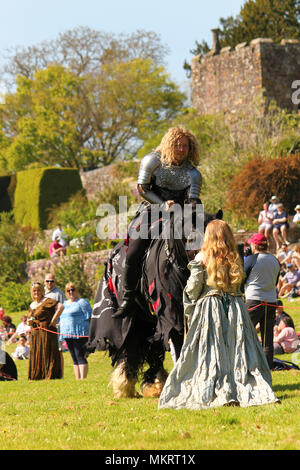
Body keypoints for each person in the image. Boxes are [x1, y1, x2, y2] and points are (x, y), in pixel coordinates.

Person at [158, 220, 278, 410]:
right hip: (236, 307)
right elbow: (240, 286)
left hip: (210, 308)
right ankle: (240, 383)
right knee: (237, 348)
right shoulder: (235, 258)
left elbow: (194, 287)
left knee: (212, 349)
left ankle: (215, 385)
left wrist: (189, 307)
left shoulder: (202, 257)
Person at [112, 126, 202, 319]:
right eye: (177, 145)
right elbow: (143, 188)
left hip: (180, 213)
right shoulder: (152, 161)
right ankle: (129, 297)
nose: (181, 149)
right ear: (170, 145)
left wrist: (191, 209)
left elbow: (193, 198)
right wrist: (163, 204)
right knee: (135, 248)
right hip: (152, 210)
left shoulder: (193, 173)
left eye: (185, 146)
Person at [244, 233, 280, 368]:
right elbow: (275, 281)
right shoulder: (275, 260)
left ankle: (245, 364)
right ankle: (267, 367)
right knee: (267, 338)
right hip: (270, 301)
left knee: (245, 333)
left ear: (254, 245)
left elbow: (242, 278)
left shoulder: (252, 259)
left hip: (254, 300)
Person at [27, 281, 64, 380]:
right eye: (34, 291)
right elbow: (30, 317)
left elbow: (61, 307)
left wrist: (53, 320)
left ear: (42, 291)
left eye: (38, 290)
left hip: (46, 331)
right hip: (35, 332)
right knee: (37, 352)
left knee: (47, 352)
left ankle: (50, 374)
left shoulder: (47, 301)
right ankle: (38, 375)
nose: (36, 293)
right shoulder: (32, 304)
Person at [59, 283, 92, 380]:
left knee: (80, 356)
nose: (71, 292)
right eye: (68, 290)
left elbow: (90, 316)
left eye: (72, 289)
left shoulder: (82, 302)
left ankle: (83, 378)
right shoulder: (64, 304)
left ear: (76, 290)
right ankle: (78, 379)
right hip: (67, 334)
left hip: (80, 334)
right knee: (74, 357)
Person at [44, 273, 66, 376]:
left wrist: (60, 322)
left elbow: (63, 309)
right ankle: (48, 372)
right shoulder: (41, 292)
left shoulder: (59, 294)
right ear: (44, 282)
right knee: (46, 350)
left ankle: (60, 373)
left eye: (51, 281)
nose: (49, 283)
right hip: (44, 326)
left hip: (56, 325)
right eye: (47, 281)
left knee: (58, 350)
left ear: (55, 282)